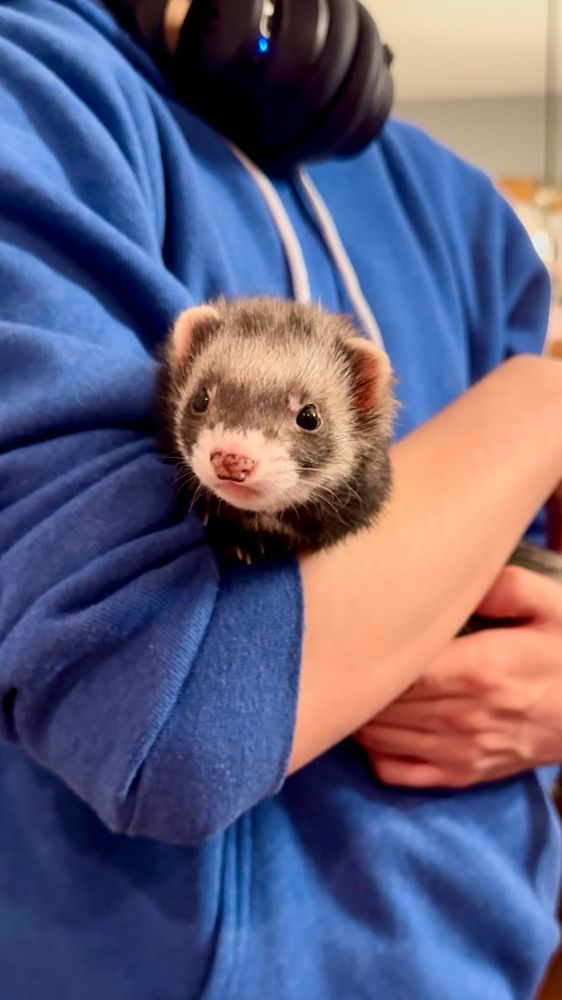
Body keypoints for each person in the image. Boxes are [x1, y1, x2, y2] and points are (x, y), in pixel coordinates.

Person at [1, 2, 562, 998]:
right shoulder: (35, 88)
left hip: (480, 962)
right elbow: (163, 716)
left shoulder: (468, 213)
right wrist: (540, 400)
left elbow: (515, 567)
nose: (233, 453)